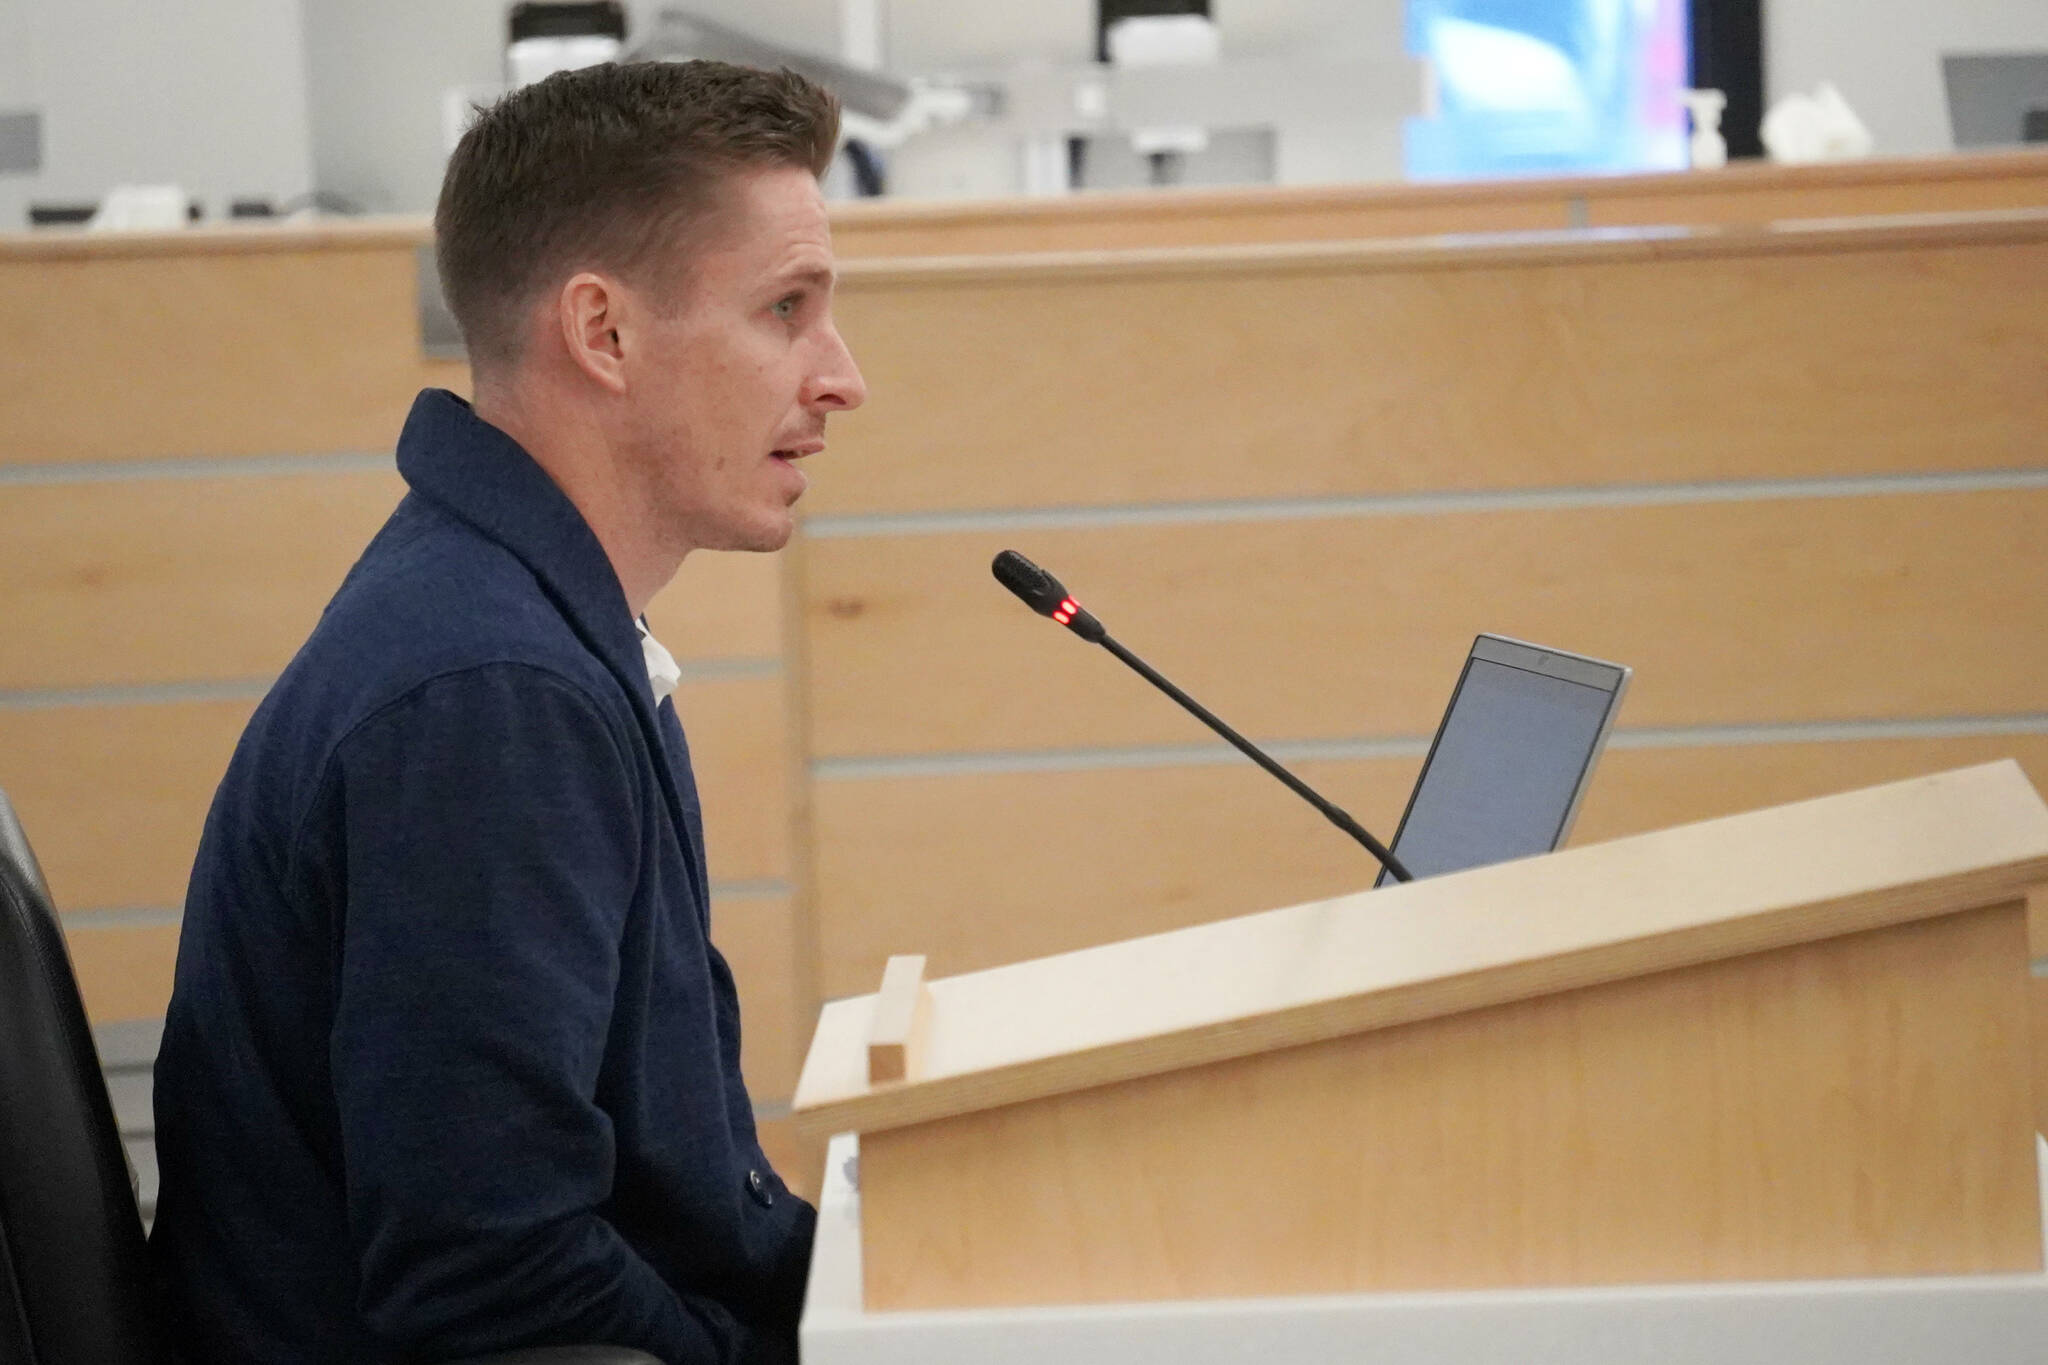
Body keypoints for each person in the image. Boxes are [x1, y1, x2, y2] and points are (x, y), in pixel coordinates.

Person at [149, 60, 866, 1364]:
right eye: (786, 310)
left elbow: (670, 1207)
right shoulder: (492, 699)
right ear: (602, 333)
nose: (842, 377)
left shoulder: (510, 619)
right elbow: (496, 1276)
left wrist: (896, 1296)